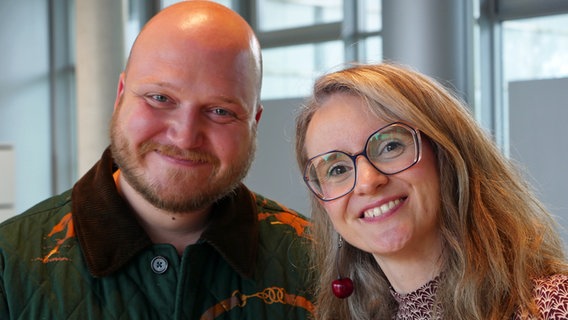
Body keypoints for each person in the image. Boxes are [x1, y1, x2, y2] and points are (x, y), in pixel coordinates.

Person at [0, 1, 314, 319]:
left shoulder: (319, 261)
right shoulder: (7, 263)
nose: (184, 137)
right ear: (120, 95)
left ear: (254, 123)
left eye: (221, 111)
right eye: (160, 98)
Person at [295, 62, 568, 319]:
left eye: (390, 146)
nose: (367, 181)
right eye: (337, 170)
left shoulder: (552, 306)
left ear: (447, 154)